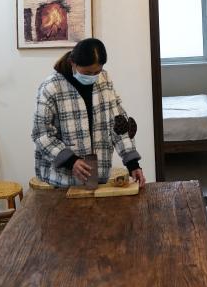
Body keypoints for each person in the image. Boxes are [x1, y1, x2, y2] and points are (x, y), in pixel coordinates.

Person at [32, 38, 146, 188]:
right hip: (62, 182)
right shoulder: (51, 87)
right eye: (87, 72)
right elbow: (42, 135)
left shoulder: (104, 79)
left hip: (98, 178)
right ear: (73, 63)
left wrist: (132, 163)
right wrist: (71, 161)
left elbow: (119, 123)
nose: (92, 76)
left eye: (97, 72)